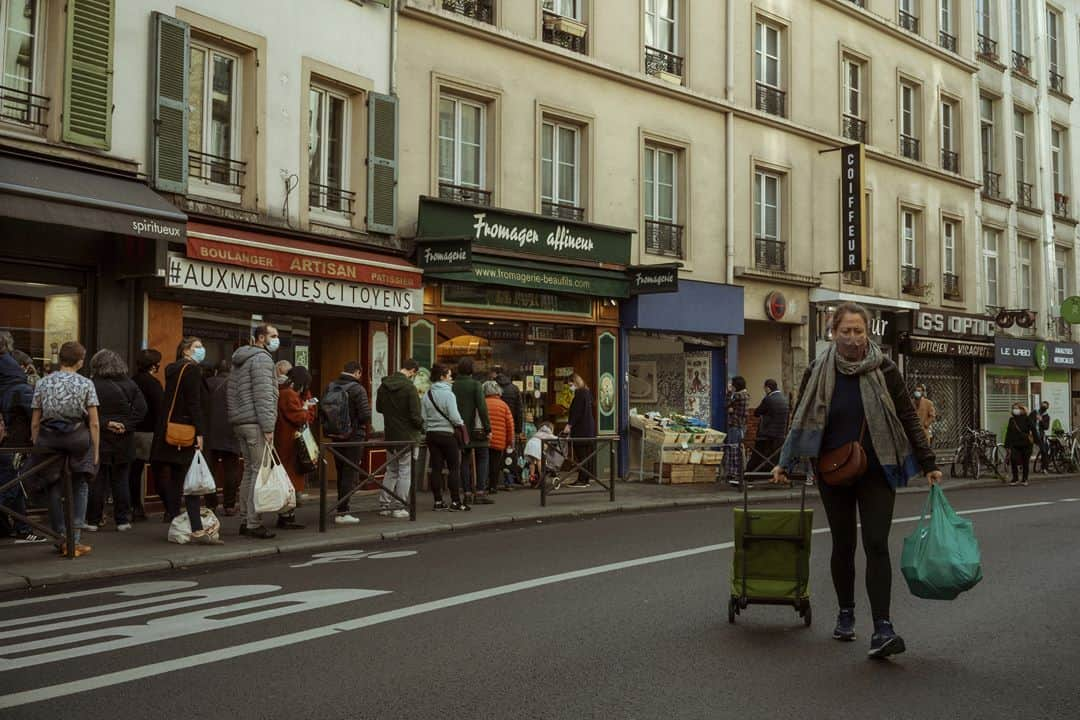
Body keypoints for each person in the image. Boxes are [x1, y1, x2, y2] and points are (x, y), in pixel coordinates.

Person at [772, 302, 939, 660]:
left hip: (879, 468)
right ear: (832, 333)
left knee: (876, 543)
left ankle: (882, 627)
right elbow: (801, 415)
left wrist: (928, 462)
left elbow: (908, 415)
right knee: (843, 544)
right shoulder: (818, 369)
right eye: (844, 331)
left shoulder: (885, 369)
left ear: (868, 333)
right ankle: (845, 612)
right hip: (833, 471)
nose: (851, 338)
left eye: (858, 331)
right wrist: (785, 462)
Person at [29, 341, 101, 557]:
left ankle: (60, 535)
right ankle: (74, 539)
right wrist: (95, 450)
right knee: (80, 483)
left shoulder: (43, 382)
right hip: (76, 437)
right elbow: (94, 423)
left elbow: (35, 420)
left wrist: (36, 443)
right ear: (80, 361)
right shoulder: (86, 383)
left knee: (52, 483)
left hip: (49, 438)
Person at [151, 337, 220, 544]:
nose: (202, 350)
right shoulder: (191, 370)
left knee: (175, 477)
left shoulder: (173, 369)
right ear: (185, 351)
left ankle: (175, 519)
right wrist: (200, 432)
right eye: (197, 347)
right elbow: (193, 403)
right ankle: (196, 528)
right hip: (186, 430)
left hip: (170, 430)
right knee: (191, 478)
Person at [228, 324, 280, 539]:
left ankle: (244, 520)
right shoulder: (262, 359)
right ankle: (253, 522)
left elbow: (232, 393)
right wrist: (268, 427)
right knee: (258, 472)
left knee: (249, 471)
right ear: (261, 338)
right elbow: (264, 395)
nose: (277, 340)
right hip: (256, 423)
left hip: (241, 421)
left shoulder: (240, 360)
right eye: (273, 335)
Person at [85, 349, 147, 532]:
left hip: (100, 437)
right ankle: (122, 520)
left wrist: (106, 423)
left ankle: (93, 520)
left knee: (98, 480)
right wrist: (125, 425)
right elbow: (142, 409)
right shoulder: (130, 384)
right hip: (124, 438)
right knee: (121, 480)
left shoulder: (92, 384)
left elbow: (84, 412)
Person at [0, 332, 45, 543]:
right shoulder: (19, 387)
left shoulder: (7, 383)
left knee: (11, 484)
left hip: (7, 442)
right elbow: (36, 415)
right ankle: (22, 528)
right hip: (15, 443)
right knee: (11, 485)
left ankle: (17, 527)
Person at [321, 361, 371, 525]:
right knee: (349, 472)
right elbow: (365, 415)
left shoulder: (330, 386)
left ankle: (340, 508)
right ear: (357, 372)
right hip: (353, 436)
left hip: (336, 435)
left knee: (341, 471)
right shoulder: (358, 389)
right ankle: (343, 511)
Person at [376, 358, 423, 519]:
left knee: (391, 470)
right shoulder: (410, 388)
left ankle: (384, 504)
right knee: (405, 472)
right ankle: (399, 506)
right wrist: (422, 427)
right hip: (408, 436)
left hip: (391, 435)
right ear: (413, 371)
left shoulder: (384, 385)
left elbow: (378, 408)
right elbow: (416, 417)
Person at [422, 363, 469, 511]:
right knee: (453, 468)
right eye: (449, 375)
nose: (451, 378)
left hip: (431, 434)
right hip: (447, 435)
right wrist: (461, 424)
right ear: (442, 377)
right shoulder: (449, 394)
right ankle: (455, 501)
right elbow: (455, 417)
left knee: (436, 468)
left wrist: (428, 428)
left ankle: (438, 501)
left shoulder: (427, 394)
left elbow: (423, 417)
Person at [272, 366, 313, 530]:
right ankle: (286, 515)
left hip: (285, 439)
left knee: (288, 477)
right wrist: (307, 408)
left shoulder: (284, 392)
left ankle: (287, 514)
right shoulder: (288, 394)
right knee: (289, 477)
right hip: (289, 441)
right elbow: (300, 417)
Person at [129, 349, 163, 521]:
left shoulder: (131, 381)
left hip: (132, 431)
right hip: (149, 432)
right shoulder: (154, 384)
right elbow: (160, 409)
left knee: (134, 471)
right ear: (154, 365)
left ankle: (135, 506)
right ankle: (168, 506)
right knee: (158, 470)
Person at [205, 360, 241, 515]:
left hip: (209, 431)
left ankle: (211, 503)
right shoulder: (236, 385)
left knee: (209, 469)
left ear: (216, 371)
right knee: (231, 470)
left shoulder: (207, 383)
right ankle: (229, 505)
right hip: (231, 431)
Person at [453, 358, 492, 503]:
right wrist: (488, 428)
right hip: (477, 430)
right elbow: (482, 408)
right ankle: (480, 492)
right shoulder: (476, 385)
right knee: (483, 456)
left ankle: (467, 493)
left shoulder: (453, 386)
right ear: (471, 370)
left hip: (460, 429)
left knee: (465, 459)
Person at [749, 379, 789, 472]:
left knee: (758, 453)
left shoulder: (768, 399)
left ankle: (751, 471)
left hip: (767, 433)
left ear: (767, 388)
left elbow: (757, 412)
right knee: (774, 457)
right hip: (780, 434)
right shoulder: (784, 399)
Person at [484, 380, 516, 492]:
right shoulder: (504, 405)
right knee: (495, 464)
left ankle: (482, 485)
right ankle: (493, 486)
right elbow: (510, 425)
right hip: (499, 440)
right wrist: (510, 441)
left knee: (483, 463)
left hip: (484, 438)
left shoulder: (482, 403)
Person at [566, 373, 596, 488]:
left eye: (571, 384)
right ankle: (586, 478)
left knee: (581, 455)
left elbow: (577, 412)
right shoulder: (587, 393)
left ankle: (582, 480)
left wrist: (569, 425)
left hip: (581, 430)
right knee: (586, 455)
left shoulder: (579, 394)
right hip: (589, 429)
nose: (570, 387)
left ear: (575, 382)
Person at [495, 368, 525, 484]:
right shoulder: (514, 389)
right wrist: (518, 429)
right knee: (509, 453)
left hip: (496, 425)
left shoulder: (494, 388)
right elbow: (519, 411)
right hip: (510, 426)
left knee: (495, 454)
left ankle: (493, 480)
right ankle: (509, 481)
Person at [726, 376, 750, 486]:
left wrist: (728, 393)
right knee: (739, 448)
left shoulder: (737, 395)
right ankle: (739, 472)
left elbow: (727, 405)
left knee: (733, 448)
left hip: (734, 424)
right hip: (742, 425)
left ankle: (734, 473)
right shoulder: (746, 394)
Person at [1005, 402, 1037, 487]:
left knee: (1025, 462)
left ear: (1022, 409)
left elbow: (1034, 430)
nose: (1015, 410)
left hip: (1026, 444)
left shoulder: (1027, 419)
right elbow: (1009, 432)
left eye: (1016, 408)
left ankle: (1024, 479)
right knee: (1013, 460)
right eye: (1013, 408)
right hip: (1015, 444)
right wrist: (1007, 445)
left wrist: (1038, 442)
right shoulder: (1012, 420)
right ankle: (1015, 478)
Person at [524, 420, 557, 487]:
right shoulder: (547, 434)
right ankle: (541, 475)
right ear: (550, 428)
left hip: (529, 444)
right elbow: (555, 438)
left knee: (532, 462)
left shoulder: (538, 432)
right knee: (539, 460)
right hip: (536, 446)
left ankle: (532, 476)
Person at [1033, 400, 1051, 474]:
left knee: (1044, 450)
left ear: (1047, 408)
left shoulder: (1047, 416)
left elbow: (1046, 427)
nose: (1043, 407)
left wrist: (1041, 420)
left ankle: (1044, 468)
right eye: (1042, 405)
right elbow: (1029, 421)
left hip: (1040, 435)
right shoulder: (1035, 412)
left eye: (1045, 406)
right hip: (1032, 434)